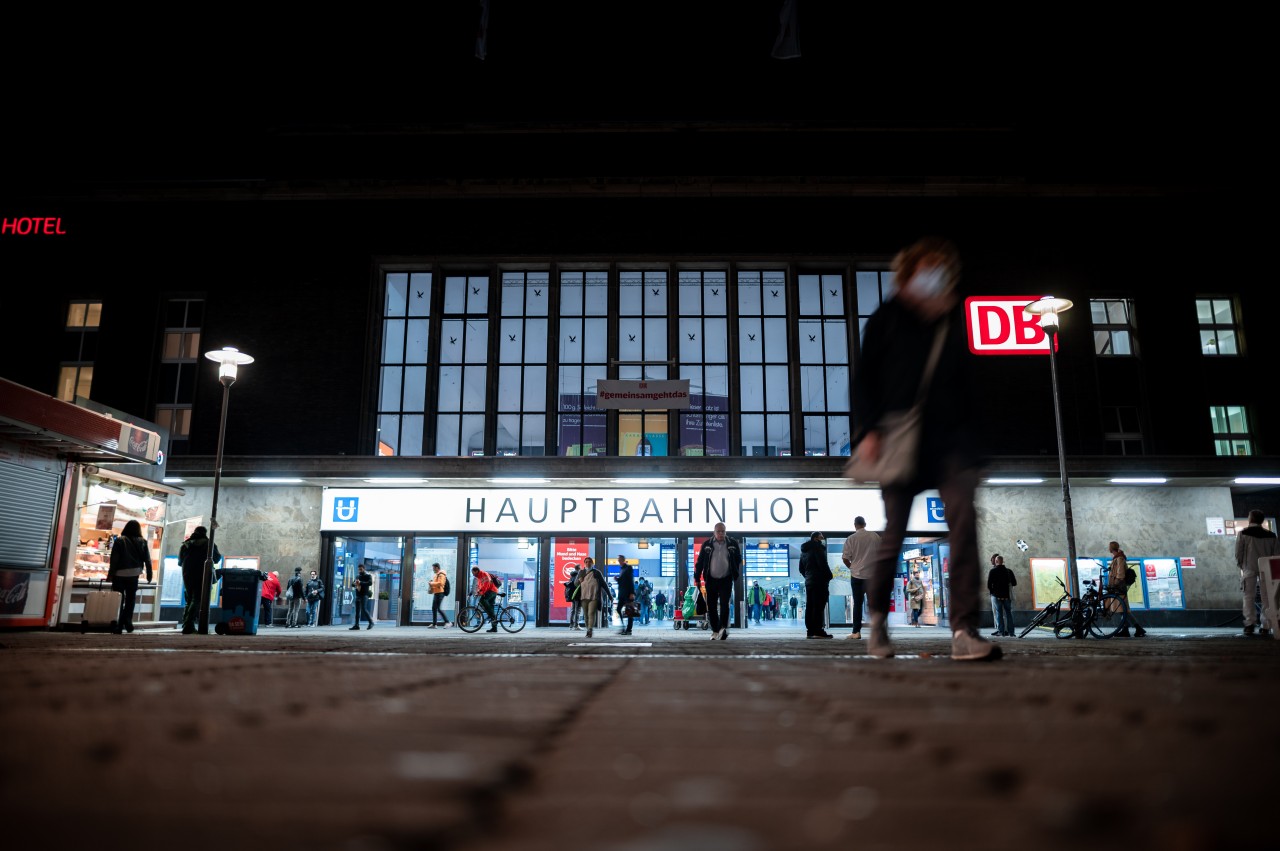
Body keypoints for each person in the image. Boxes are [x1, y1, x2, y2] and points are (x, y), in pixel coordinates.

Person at [852, 237, 1000, 662]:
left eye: (940, 267)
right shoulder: (886, 319)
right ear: (909, 271)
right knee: (894, 532)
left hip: (950, 440)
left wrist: (976, 445)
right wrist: (869, 429)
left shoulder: (951, 317)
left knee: (964, 522)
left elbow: (969, 381)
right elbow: (864, 380)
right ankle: (878, 620)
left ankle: (963, 628)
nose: (933, 274)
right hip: (901, 437)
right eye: (926, 267)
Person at [693, 522, 742, 640]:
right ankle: (715, 630)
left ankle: (723, 628)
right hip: (711, 580)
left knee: (725, 605)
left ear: (726, 532)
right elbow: (699, 563)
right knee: (712, 606)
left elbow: (738, 558)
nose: (721, 534)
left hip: (726, 579)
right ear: (714, 532)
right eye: (718, 531)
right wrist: (697, 578)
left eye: (723, 531)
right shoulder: (707, 544)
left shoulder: (732, 543)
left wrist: (734, 568)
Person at [1235, 510, 1279, 637]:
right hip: (1267, 568)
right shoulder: (1271, 535)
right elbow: (1276, 554)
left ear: (1250, 519)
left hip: (1249, 567)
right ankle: (1266, 626)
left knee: (1248, 596)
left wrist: (1242, 566)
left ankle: (1249, 625)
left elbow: (1239, 553)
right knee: (1268, 598)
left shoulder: (1243, 533)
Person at [106, 519, 152, 633]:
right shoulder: (143, 541)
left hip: (119, 574)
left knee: (119, 599)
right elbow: (147, 559)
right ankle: (128, 620)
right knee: (130, 599)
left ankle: (119, 625)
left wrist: (110, 574)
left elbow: (114, 559)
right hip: (134, 574)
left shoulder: (120, 541)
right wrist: (149, 573)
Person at [840, 516, 879, 640]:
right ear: (865, 524)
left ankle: (856, 632)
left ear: (855, 525)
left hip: (856, 576)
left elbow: (845, 558)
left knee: (857, 604)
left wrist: (852, 567)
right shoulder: (875, 536)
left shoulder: (851, 538)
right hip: (872, 575)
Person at [177, 525, 220, 635]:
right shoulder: (209, 544)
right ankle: (188, 625)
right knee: (197, 599)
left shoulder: (186, 544)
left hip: (187, 574)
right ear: (205, 533)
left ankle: (188, 625)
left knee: (190, 599)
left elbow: (180, 562)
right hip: (202, 573)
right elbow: (216, 558)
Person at [1106, 542, 1146, 638]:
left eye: (1109, 547)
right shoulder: (1117, 558)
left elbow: (1120, 574)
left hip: (1118, 587)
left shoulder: (1119, 558)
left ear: (1111, 548)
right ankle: (1126, 629)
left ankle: (1138, 628)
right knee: (1121, 610)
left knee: (1123, 610)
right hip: (1117, 587)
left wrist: (1114, 585)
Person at [799, 531, 833, 638]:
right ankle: (818, 631)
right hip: (819, 582)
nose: (822, 540)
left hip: (809, 582)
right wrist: (829, 576)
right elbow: (822, 564)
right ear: (815, 539)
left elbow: (801, 568)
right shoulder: (817, 548)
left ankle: (810, 631)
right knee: (818, 606)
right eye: (821, 538)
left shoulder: (804, 551)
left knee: (810, 606)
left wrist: (808, 577)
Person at [576, 559, 608, 638]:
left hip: (594, 597)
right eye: (586, 562)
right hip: (584, 597)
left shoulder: (597, 572)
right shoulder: (581, 572)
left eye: (589, 562)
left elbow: (604, 584)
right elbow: (575, 584)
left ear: (592, 563)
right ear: (584, 563)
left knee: (591, 613)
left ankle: (590, 630)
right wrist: (579, 581)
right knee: (586, 615)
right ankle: (588, 629)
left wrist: (609, 595)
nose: (588, 563)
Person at [986, 554, 1017, 637]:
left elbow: (989, 585)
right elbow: (1014, 583)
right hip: (1007, 595)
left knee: (999, 613)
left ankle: (1001, 631)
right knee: (1008, 613)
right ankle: (1011, 632)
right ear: (1003, 561)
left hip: (996, 596)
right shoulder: (1009, 571)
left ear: (996, 562)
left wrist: (993, 593)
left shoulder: (992, 571)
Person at [470, 566, 501, 632]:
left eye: (473, 572)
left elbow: (487, 584)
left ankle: (490, 615)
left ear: (476, 571)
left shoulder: (484, 574)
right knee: (491, 608)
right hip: (490, 591)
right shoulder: (479, 577)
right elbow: (480, 586)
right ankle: (494, 628)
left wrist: (481, 592)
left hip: (491, 591)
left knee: (482, 600)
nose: (473, 574)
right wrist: (478, 592)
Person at [615, 555, 635, 636]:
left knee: (629, 612)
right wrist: (618, 580)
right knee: (618, 609)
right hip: (622, 594)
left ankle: (629, 629)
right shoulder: (621, 569)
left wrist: (632, 592)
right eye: (618, 560)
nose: (619, 561)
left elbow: (631, 580)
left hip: (628, 593)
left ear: (623, 560)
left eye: (619, 559)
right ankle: (623, 627)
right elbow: (622, 581)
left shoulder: (628, 568)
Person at [350, 564, 374, 630]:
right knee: (357, 611)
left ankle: (371, 622)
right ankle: (356, 625)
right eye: (359, 569)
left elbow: (370, 583)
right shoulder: (358, 576)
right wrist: (355, 583)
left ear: (364, 568)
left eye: (361, 569)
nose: (359, 570)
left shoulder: (368, 576)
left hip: (364, 594)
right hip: (358, 594)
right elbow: (352, 584)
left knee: (364, 609)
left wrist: (361, 583)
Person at [428, 562, 449, 627]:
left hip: (440, 593)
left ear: (437, 568)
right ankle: (434, 624)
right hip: (436, 593)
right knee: (434, 608)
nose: (433, 569)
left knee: (438, 608)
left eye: (434, 568)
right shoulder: (436, 575)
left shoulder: (441, 574)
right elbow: (436, 583)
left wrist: (432, 583)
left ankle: (448, 622)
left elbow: (441, 583)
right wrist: (432, 583)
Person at [563, 563, 582, 629]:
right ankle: (576, 625)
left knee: (573, 610)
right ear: (579, 569)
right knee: (578, 610)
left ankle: (571, 624)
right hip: (578, 595)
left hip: (572, 595)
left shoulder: (572, 576)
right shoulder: (578, 576)